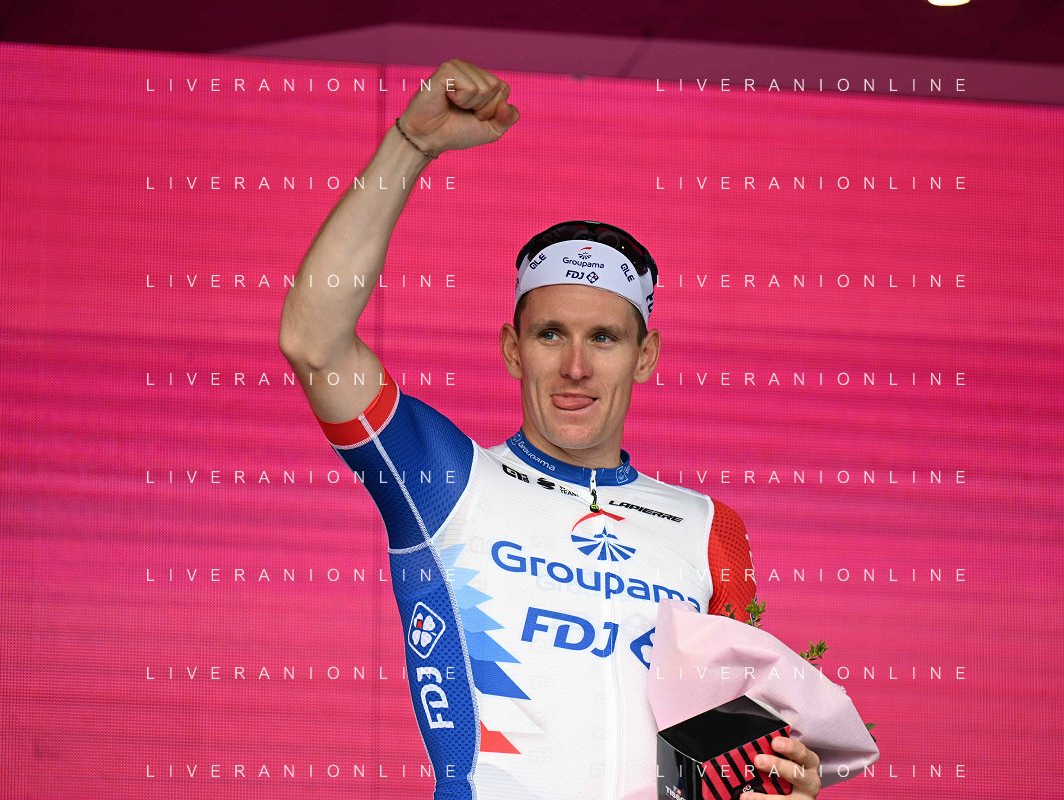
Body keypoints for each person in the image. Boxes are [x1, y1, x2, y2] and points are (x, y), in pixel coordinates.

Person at [278, 58, 821, 800]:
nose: (575, 366)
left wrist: (780, 783)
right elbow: (314, 343)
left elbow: (722, 752)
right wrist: (410, 145)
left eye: (604, 338)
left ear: (645, 356)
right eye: (550, 334)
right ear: (512, 348)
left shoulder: (708, 528)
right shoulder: (446, 483)